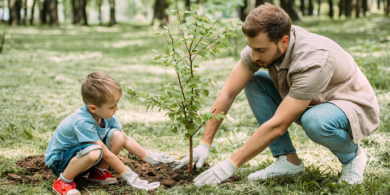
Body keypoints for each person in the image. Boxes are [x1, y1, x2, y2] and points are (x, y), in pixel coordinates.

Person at [173, 3, 380, 186]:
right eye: (251, 48)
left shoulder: (313, 60)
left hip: (348, 104)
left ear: (283, 41)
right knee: (255, 82)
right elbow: (228, 92)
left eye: (261, 50)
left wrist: (230, 164)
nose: (254, 56)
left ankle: (353, 157)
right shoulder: (259, 47)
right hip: (312, 98)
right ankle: (288, 160)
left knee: (315, 121)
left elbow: (279, 124)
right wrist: (204, 143)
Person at [45, 71, 177, 195]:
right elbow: (106, 154)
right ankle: (63, 181)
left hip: (79, 157)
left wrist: (152, 158)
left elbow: (126, 139)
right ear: (93, 108)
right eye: (112, 106)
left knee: (117, 136)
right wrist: (132, 178)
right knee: (95, 152)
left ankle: (98, 172)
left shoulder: (105, 115)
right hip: (60, 162)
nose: (117, 108)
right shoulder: (82, 121)